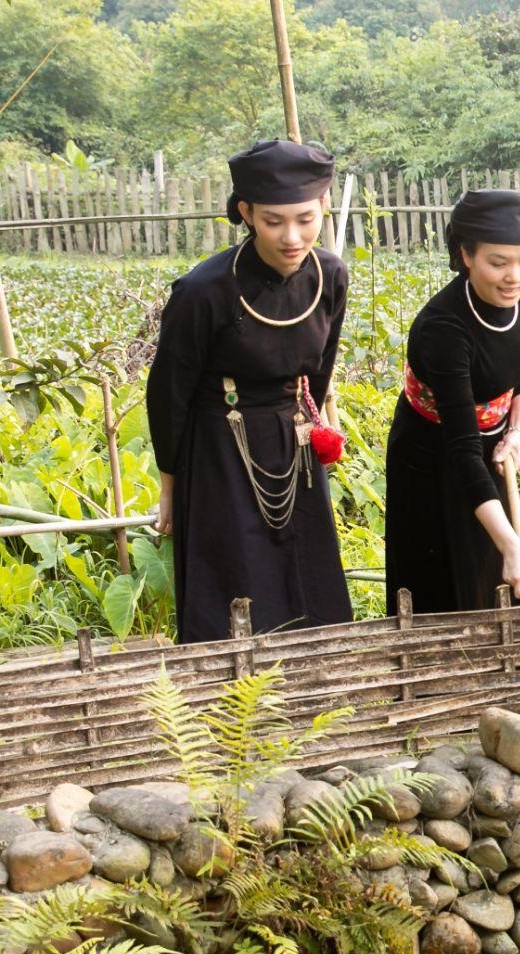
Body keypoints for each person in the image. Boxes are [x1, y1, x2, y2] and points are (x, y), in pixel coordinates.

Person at [147, 139, 351, 643]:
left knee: (306, 568)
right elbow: (168, 393)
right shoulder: (203, 292)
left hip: (293, 442)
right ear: (246, 213)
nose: (291, 236)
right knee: (236, 573)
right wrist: (170, 487)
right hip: (220, 442)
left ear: (323, 207)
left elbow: (319, 373)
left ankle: (315, 684)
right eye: (273, 221)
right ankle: (232, 698)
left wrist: (312, 429)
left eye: (305, 219)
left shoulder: (330, 277)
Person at [384, 188, 520, 614]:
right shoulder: (444, 329)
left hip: (490, 449)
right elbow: (461, 449)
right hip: (434, 458)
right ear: (466, 255)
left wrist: (515, 433)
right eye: (498, 262)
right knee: (445, 586)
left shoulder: (519, 295)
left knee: (494, 575)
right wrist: (511, 541)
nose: (515, 276)